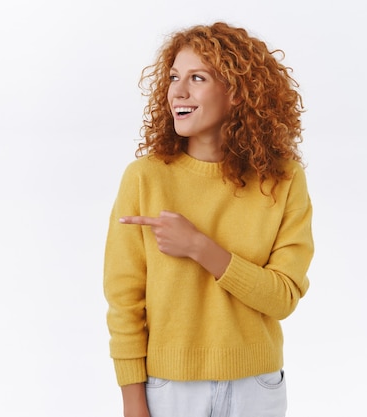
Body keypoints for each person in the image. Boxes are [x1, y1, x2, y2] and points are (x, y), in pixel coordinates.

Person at [103, 22, 314, 417]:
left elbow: (283, 297)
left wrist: (200, 247)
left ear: (236, 92)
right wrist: (132, 401)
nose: (177, 91)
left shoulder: (283, 179)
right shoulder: (145, 178)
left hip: (258, 386)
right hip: (168, 389)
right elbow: (124, 302)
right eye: (173, 77)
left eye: (197, 78)